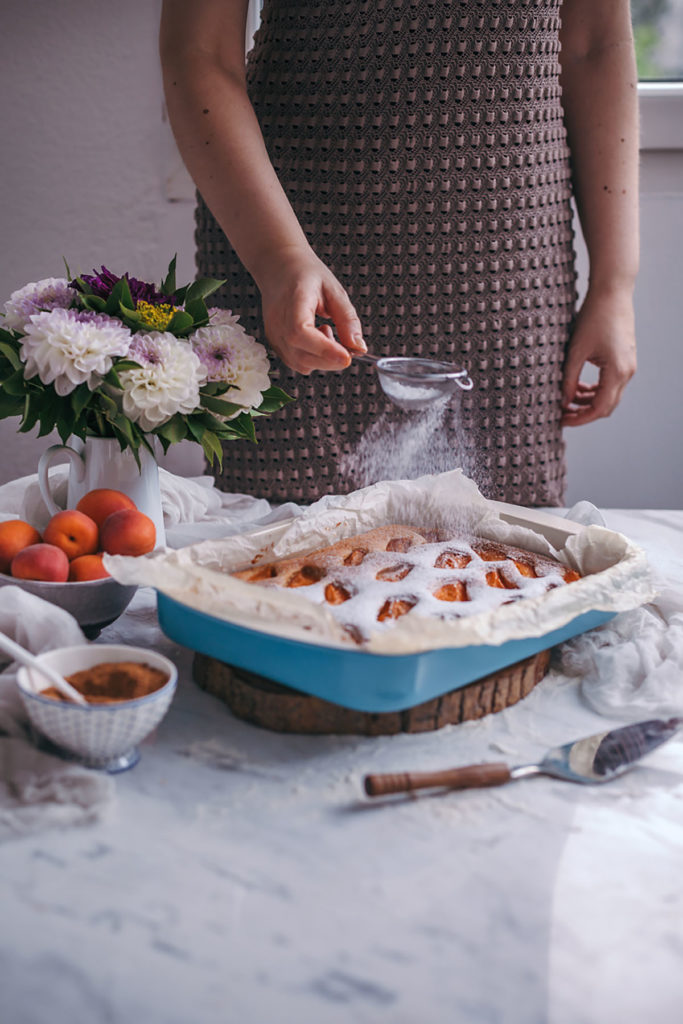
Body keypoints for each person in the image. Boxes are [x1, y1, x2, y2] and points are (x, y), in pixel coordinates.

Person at [159, 0, 638, 506]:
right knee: (278, 548)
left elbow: (595, 46)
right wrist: (279, 255)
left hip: (505, 272)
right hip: (287, 240)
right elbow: (200, 52)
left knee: (494, 554)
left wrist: (614, 284)